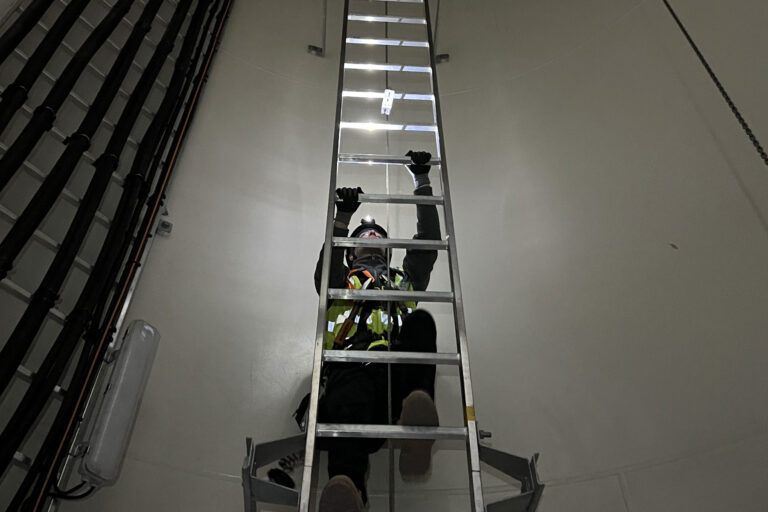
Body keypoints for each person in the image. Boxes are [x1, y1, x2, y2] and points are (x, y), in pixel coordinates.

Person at [314, 150, 441, 511]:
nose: (371, 234)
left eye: (378, 233)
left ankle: (417, 430)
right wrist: (342, 217)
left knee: (421, 323)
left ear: (388, 250)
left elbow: (429, 241)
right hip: (350, 374)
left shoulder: (403, 279)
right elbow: (324, 271)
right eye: (363, 233)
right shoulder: (342, 280)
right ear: (350, 252)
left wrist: (421, 179)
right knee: (347, 404)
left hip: (395, 381)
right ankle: (347, 491)